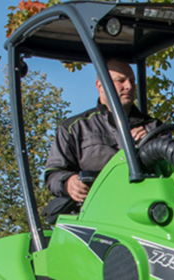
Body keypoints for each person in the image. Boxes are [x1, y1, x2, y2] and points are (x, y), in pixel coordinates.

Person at [44, 58, 160, 203]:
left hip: (146, 206)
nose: (129, 86)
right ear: (100, 86)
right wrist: (68, 183)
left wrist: (151, 145)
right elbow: (54, 174)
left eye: (131, 80)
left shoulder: (154, 128)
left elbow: (173, 167)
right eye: (121, 80)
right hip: (95, 210)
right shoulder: (75, 128)